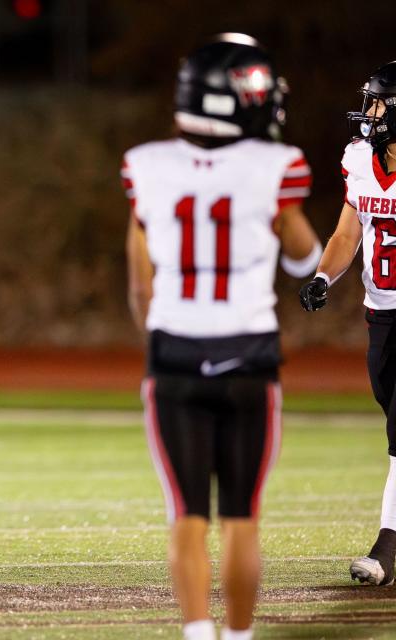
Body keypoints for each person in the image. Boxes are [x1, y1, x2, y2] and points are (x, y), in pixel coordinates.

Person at [125, 34, 321, 640]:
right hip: (249, 355)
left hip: (175, 352)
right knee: (242, 518)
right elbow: (304, 257)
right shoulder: (277, 166)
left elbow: (140, 289)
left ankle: (197, 633)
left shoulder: (145, 164)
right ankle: (238, 636)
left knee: (186, 517)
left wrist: (164, 336)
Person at [300, 60, 396, 587]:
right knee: (391, 411)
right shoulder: (360, 159)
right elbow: (346, 233)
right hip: (381, 312)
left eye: (379, 103)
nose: (370, 113)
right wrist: (322, 278)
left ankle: (387, 548)